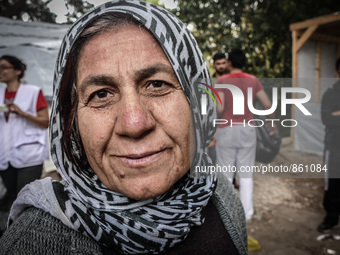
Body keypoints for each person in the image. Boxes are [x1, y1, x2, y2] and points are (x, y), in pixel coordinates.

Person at [0, 2, 247, 254]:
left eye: (157, 84)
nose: (134, 124)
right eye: (101, 94)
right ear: (71, 123)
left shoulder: (217, 192)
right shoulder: (32, 244)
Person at [215, 48, 275, 221]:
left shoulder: (222, 80)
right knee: (246, 173)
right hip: (248, 129)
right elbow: (266, 103)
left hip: (226, 129)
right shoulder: (253, 80)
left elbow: (220, 108)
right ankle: (247, 213)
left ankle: (227, 213)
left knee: (226, 173)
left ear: (230, 63)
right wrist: (272, 122)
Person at [0, 55, 49, 212]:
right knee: (12, 191)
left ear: (18, 71)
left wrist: (23, 113)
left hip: (29, 155)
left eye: (4, 67)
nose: (0, 71)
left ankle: (24, 229)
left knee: (25, 196)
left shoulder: (33, 92)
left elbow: (45, 122)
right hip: (4, 154)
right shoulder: (0, 94)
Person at [318, 57, 340, 233]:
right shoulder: (331, 93)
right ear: (337, 71)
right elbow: (327, 119)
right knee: (332, 183)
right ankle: (331, 217)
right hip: (334, 146)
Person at [207, 52, 228, 166]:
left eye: (223, 63)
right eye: (218, 63)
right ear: (214, 65)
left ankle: (233, 181)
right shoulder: (210, 81)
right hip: (214, 122)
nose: (221, 66)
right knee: (212, 154)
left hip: (230, 123)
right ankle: (212, 181)